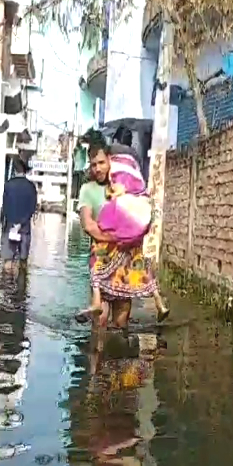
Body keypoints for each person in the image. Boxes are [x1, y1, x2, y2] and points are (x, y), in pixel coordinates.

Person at [74, 138, 170, 327]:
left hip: (125, 266)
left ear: (111, 160)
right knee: (100, 323)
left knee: (121, 323)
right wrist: (116, 238)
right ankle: (97, 354)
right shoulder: (88, 190)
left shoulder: (126, 188)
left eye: (101, 163)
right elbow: (88, 225)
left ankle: (118, 354)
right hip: (103, 260)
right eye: (93, 165)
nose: (97, 169)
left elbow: (139, 216)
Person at [0, 156, 38, 272]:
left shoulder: (8, 185)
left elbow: (5, 207)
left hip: (9, 226)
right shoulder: (31, 187)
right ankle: (21, 287)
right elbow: (32, 208)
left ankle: (7, 286)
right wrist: (21, 223)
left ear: (15, 171)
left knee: (7, 261)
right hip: (24, 228)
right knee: (23, 263)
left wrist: (11, 223)